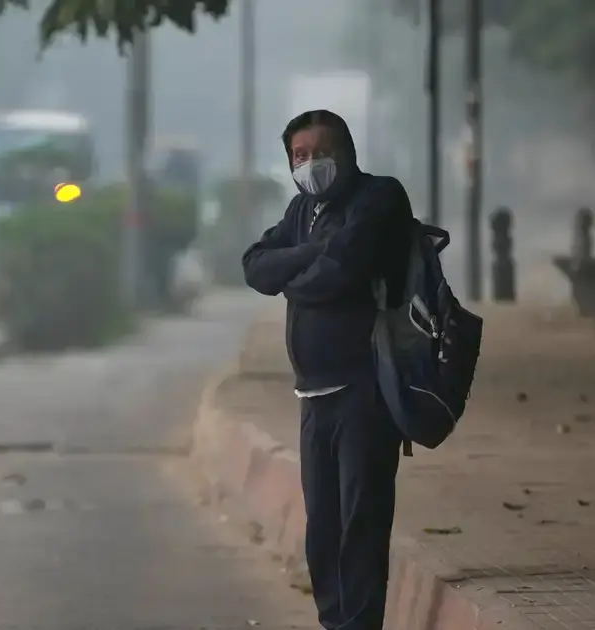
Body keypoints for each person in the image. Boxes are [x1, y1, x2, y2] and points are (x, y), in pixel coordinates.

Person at [240, 109, 414, 630]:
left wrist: (295, 269)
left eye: (320, 152)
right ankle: (334, 622)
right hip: (313, 395)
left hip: (367, 389)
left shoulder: (379, 198)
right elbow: (255, 266)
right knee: (323, 530)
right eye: (300, 155)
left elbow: (335, 277)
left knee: (360, 525)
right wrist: (312, 253)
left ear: (347, 153)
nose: (310, 163)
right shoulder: (303, 210)